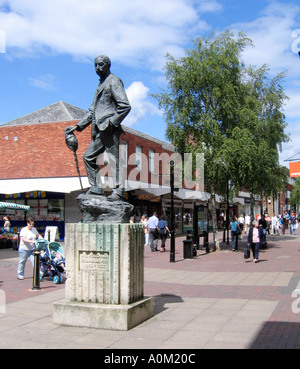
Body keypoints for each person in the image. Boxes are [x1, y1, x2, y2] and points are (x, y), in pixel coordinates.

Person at [66, 55, 131, 200]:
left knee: (113, 159)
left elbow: (125, 106)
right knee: (88, 157)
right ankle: (95, 188)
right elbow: (92, 111)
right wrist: (77, 126)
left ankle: (119, 190)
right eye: (95, 65)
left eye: (101, 64)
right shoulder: (100, 85)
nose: (97, 68)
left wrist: (111, 122)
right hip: (99, 131)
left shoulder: (113, 81)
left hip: (108, 128)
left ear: (108, 65)